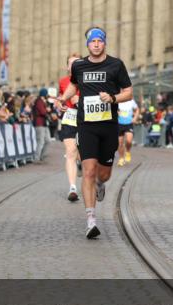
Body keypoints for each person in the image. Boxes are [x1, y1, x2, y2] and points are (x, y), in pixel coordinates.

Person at [56, 28, 133, 239]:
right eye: (93, 41)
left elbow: (128, 92)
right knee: (88, 170)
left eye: (100, 41)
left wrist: (113, 98)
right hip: (86, 125)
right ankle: (91, 221)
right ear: (87, 44)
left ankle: (100, 184)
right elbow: (73, 85)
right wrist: (63, 99)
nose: (96, 44)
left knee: (104, 174)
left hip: (108, 126)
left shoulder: (116, 65)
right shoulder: (79, 65)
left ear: (104, 43)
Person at [58, 54, 82, 201]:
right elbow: (60, 98)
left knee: (83, 154)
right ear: (67, 66)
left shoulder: (87, 78)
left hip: (86, 118)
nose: (73, 66)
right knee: (70, 152)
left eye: (77, 63)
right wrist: (60, 105)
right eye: (71, 64)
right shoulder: (63, 81)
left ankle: (81, 164)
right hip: (69, 118)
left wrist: (81, 99)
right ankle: (72, 187)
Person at [116, 95, 138, 165]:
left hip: (129, 123)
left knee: (129, 141)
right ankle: (121, 158)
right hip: (119, 124)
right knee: (120, 143)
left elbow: (137, 109)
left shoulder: (131, 100)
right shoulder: (117, 100)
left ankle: (128, 151)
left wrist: (135, 118)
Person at [33, 88, 51, 162]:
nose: (47, 95)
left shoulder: (43, 101)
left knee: (48, 140)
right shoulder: (39, 101)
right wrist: (47, 110)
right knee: (40, 141)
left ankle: (41, 156)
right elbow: (43, 112)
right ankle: (37, 158)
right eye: (46, 94)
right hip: (39, 123)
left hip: (44, 123)